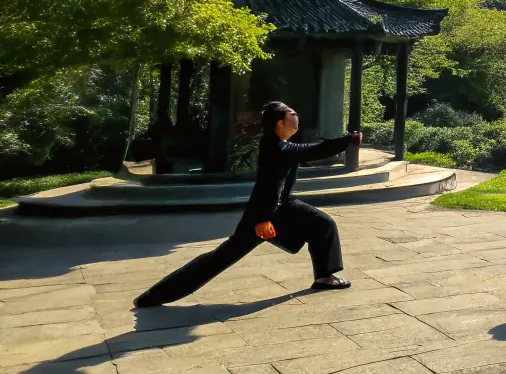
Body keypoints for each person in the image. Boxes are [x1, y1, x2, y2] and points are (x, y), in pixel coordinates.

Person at [134, 101, 360, 307]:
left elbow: (307, 154)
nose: (296, 116)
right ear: (280, 122)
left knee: (323, 225)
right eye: (292, 113)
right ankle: (154, 296)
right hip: (263, 211)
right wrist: (262, 219)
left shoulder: (279, 144)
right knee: (222, 257)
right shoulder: (277, 148)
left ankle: (324, 277)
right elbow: (278, 178)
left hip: (281, 206)